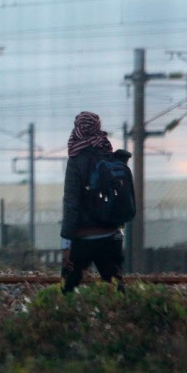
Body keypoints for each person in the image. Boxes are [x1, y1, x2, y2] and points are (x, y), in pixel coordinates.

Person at [60, 112, 130, 293]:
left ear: (77, 129)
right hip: (110, 235)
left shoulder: (75, 160)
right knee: (117, 291)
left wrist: (66, 243)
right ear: (97, 128)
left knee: (68, 291)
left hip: (83, 238)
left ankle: (68, 320)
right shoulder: (109, 155)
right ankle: (122, 320)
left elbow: (71, 203)